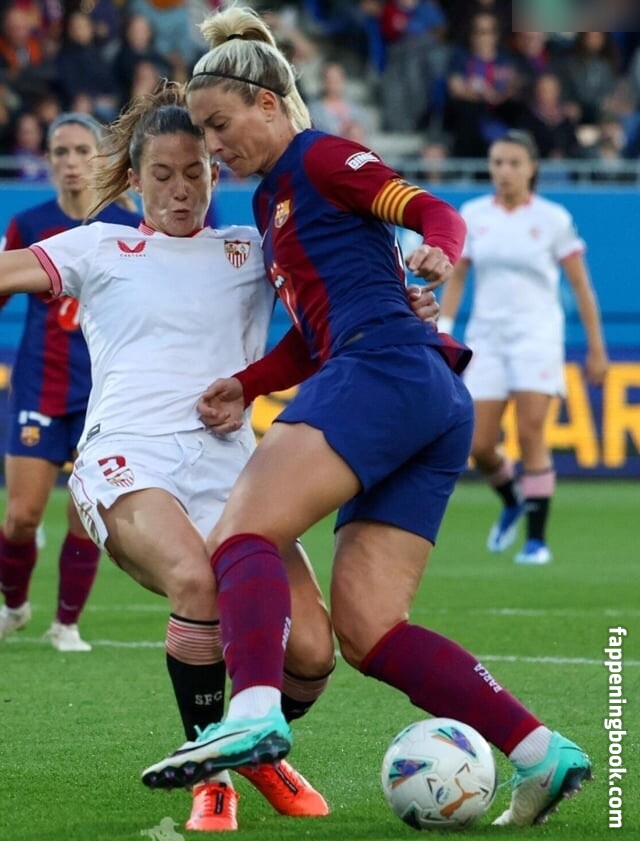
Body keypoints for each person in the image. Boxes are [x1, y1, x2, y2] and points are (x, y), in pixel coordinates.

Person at [141, 6, 592, 829]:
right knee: (370, 628)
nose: (212, 146)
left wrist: (439, 251)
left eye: (219, 125)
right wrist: (248, 383)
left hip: (383, 369)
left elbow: (434, 212)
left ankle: (253, 709)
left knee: (242, 532)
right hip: (423, 393)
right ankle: (540, 751)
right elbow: (315, 334)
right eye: (202, 131)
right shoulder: (275, 197)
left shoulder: (319, 158)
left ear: (268, 104)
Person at [0, 81, 439, 831]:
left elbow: (334, 299)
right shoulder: (96, 245)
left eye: (195, 172)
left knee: (313, 653)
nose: (180, 190)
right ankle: (212, 772)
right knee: (196, 579)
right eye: (162, 175)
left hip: (232, 469)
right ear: (133, 179)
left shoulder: (250, 247)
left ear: (215, 171)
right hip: (127, 458)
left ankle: (251, 745)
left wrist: (408, 299)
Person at [0, 112, 140, 652]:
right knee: (20, 517)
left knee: (85, 513)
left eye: (83, 150)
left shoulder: (128, 227)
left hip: (103, 393)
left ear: (101, 158)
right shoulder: (29, 225)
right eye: (61, 152)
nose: (72, 162)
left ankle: (66, 623)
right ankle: (14, 605)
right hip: (39, 383)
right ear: (49, 160)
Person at [438, 130, 609, 564]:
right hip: (487, 338)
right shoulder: (474, 214)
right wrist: (444, 330)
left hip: (537, 336)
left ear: (532, 168)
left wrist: (596, 347)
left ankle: (536, 541)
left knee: (531, 431)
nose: (504, 171)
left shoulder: (553, 219)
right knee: (479, 444)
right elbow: (457, 277)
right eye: (497, 162)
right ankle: (513, 500)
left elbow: (581, 286)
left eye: (514, 163)